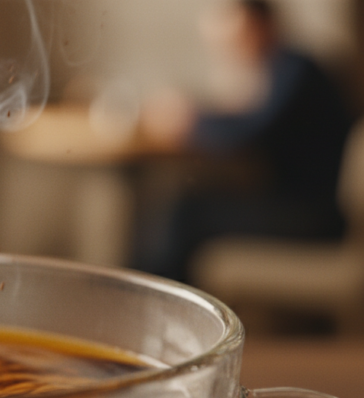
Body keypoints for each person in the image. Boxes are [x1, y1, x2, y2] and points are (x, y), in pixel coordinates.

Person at [134, 0, 353, 282]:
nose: (229, 48)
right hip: (298, 202)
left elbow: (249, 131)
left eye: (236, 36)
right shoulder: (279, 70)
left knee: (188, 211)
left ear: (261, 26)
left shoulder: (297, 70)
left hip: (315, 212)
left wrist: (189, 121)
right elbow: (245, 121)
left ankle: (154, 298)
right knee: (188, 203)